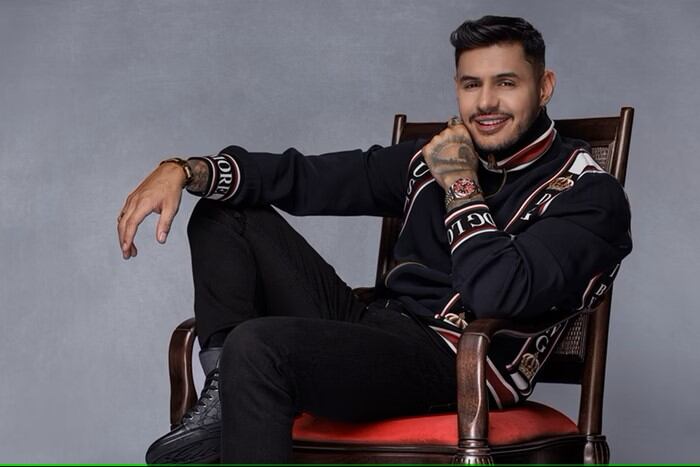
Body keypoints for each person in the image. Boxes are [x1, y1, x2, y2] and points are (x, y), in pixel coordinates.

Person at [117, 15, 632, 464]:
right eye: (471, 84)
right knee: (224, 210)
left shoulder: (589, 195)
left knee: (258, 345)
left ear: (544, 86)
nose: (486, 102)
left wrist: (459, 182)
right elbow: (307, 178)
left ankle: (232, 392)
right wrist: (185, 169)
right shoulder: (427, 159)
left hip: (458, 361)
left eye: (506, 83)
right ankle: (222, 401)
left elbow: (497, 293)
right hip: (376, 329)